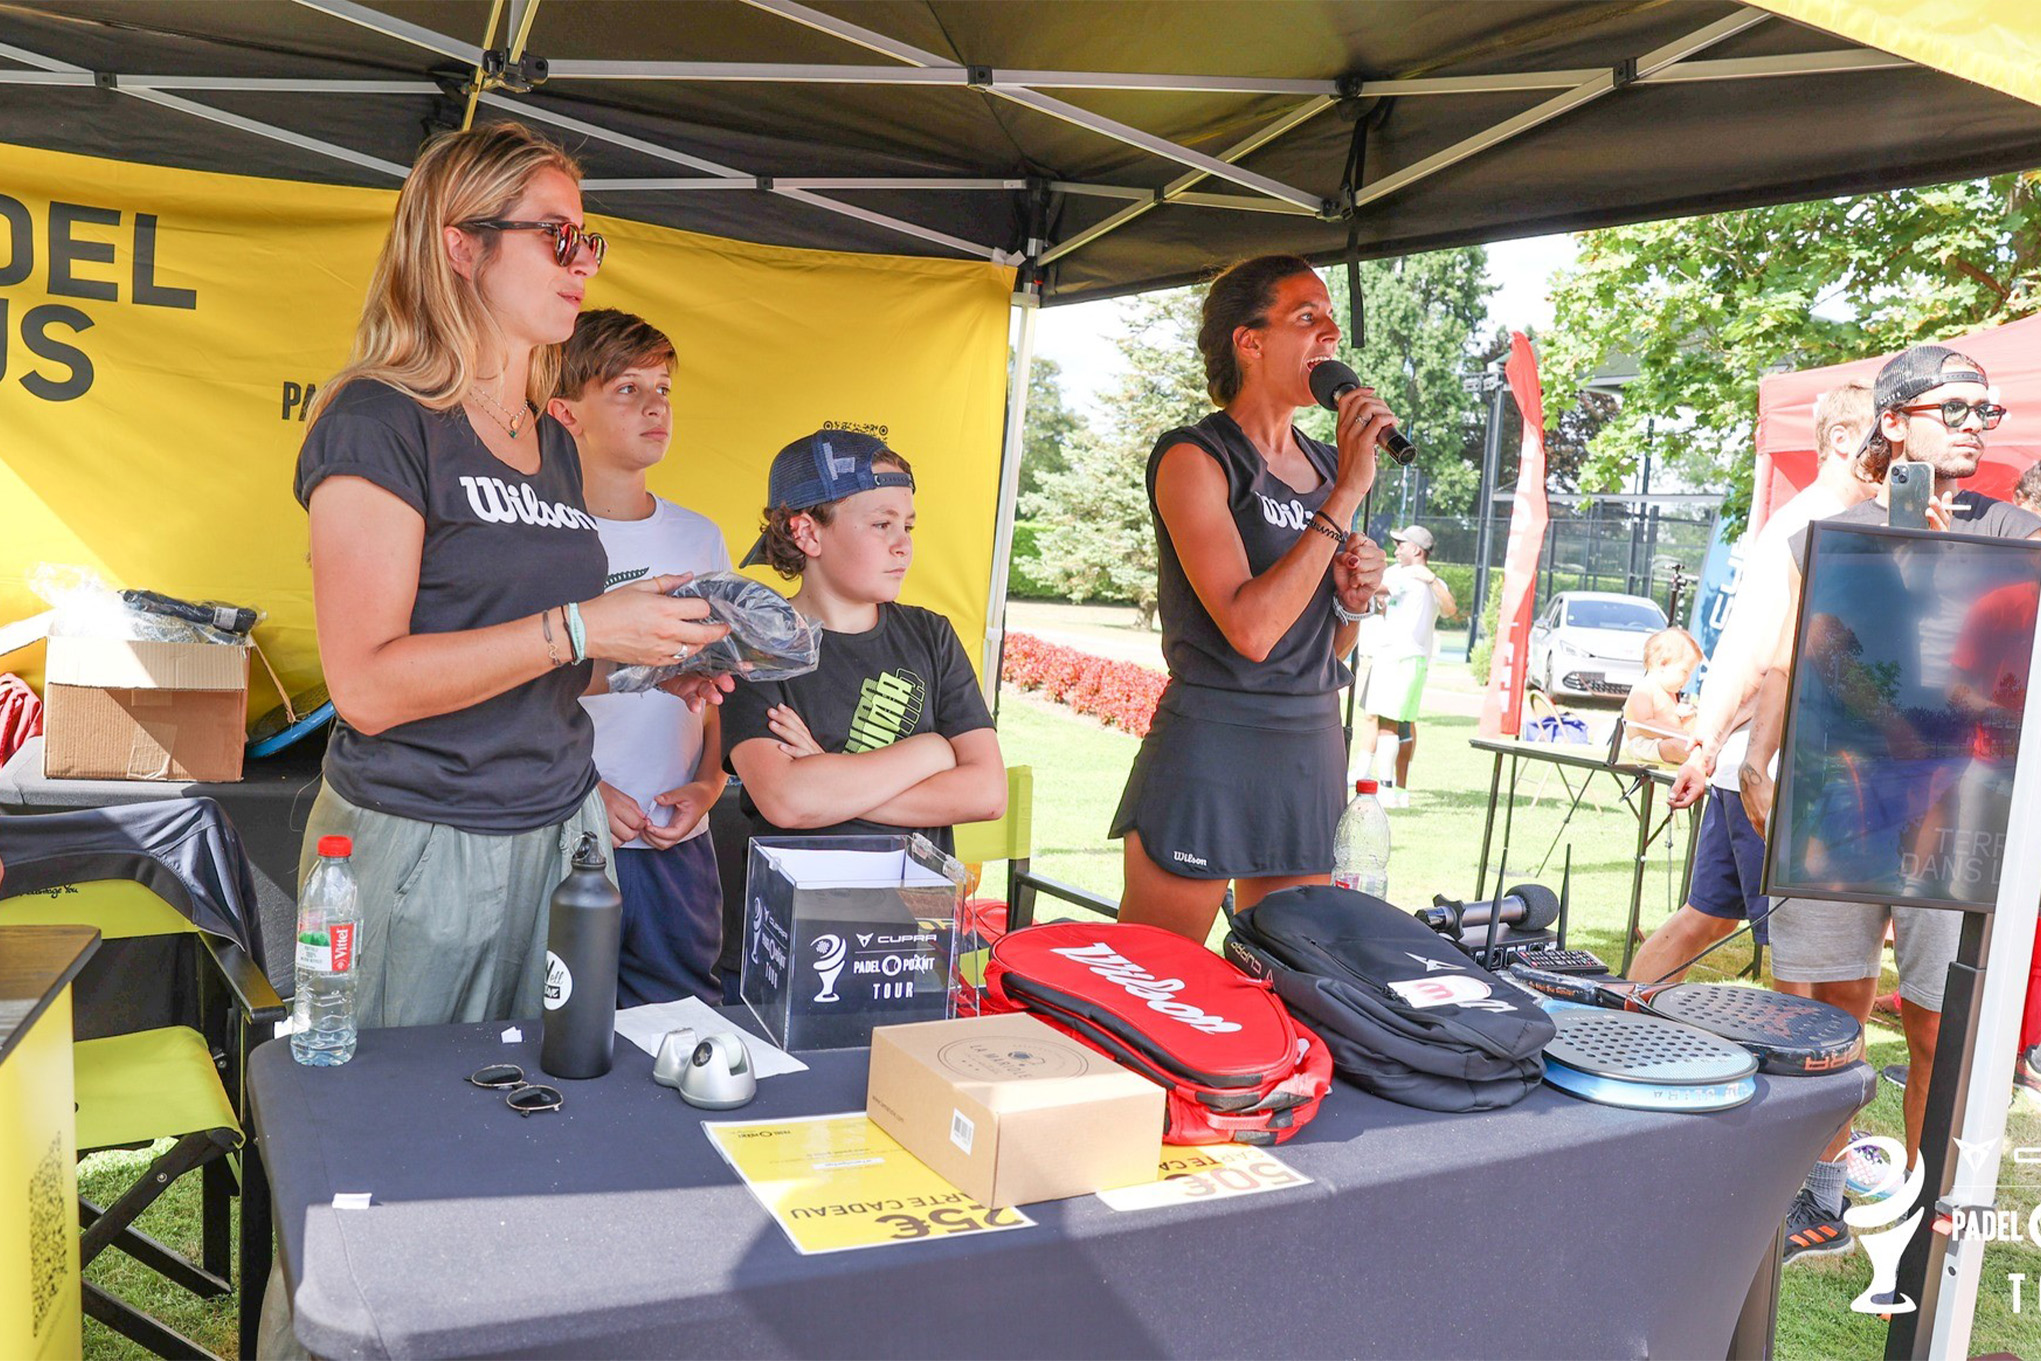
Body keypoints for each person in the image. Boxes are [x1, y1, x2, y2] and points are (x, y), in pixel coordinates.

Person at [293, 123, 733, 1031]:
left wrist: (639, 663)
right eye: (556, 236)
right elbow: (365, 687)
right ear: (462, 246)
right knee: (405, 1104)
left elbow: (532, 656)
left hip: (562, 832)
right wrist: (583, 625)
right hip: (426, 840)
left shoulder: (552, 443)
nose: (584, 263)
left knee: (545, 1095)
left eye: (588, 240)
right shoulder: (378, 420)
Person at [1742, 347, 2040, 1262]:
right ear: (1895, 418)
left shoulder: (2017, 533)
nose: (1973, 426)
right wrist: (1754, 759)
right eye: (1955, 408)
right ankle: (1822, 1194)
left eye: (1985, 412)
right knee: (1827, 1008)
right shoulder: (1830, 533)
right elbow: (1792, 655)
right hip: (1843, 791)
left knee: (1935, 1023)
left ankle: (1921, 1213)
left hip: (1962, 806)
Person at [1111, 255, 1392, 942]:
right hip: (1215, 743)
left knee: (1293, 978)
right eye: (1307, 316)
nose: (1330, 333)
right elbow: (1252, 632)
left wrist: (1352, 602)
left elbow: (1321, 648)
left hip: (1308, 745)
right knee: (1156, 976)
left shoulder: (1328, 463)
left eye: (1330, 318)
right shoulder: (1195, 458)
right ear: (1250, 340)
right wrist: (1345, 497)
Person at [1630, 381, 1875, 990]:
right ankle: (1621, 1020)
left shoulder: (1821, 520)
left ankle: (1618, 1016)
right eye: (1881, 434)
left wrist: (1710, 751)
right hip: (1771, 773)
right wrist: (1713, 749)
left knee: (1707, 919)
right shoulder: (1811, 523)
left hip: (1753, 766)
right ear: (1840, 439)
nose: (1893, 450)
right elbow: (1759, 656)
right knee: (1804, 954)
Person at [549, 308, 731, 1007]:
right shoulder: (536, 538)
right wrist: (582, 791)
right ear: (566, 412)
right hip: (564, 832)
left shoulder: (698, 535)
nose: (656, 406)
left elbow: (712, 686)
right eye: (627, 389)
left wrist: (708, 784)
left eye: (663, 389)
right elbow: (513, 684)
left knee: (680, 1025)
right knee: (561, 1027)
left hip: (673, 841)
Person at [719, 429, 1006, 853]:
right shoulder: (757, 643)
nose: (903, 545)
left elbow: (987, 793)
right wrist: (929, 752)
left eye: (907, 526)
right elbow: (787, 801)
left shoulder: (932, 636)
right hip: (801, 893)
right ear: (808, 534)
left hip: (920, 894)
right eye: (881, 524)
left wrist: (827, 776)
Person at [1358, 524, 1458, 805]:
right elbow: (1385, 599)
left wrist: (1357, 575)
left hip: (1399, 656)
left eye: (1401, 544)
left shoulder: (1410, 576)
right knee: (1396, 722)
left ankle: (1388, 788)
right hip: (1407, 658)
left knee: (1389, 723)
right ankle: (1395, 788)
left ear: (1416, 549)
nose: (1397, 549)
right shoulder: (1410, 575)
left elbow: (1450, 608)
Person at [1621, 627, 1701, 765]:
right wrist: (1678, 734)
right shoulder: (1644, 688)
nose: (1688, 679)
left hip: (1662, 742)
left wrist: (1683, 720)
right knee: (1677, 746)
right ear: (1663, 664)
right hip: (1642, 744)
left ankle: (1702, 758)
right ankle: (1702, 761)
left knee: (1690, 744)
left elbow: (1667, 723)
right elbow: (1644, 725)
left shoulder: (1669, 692)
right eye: (1685, 672)